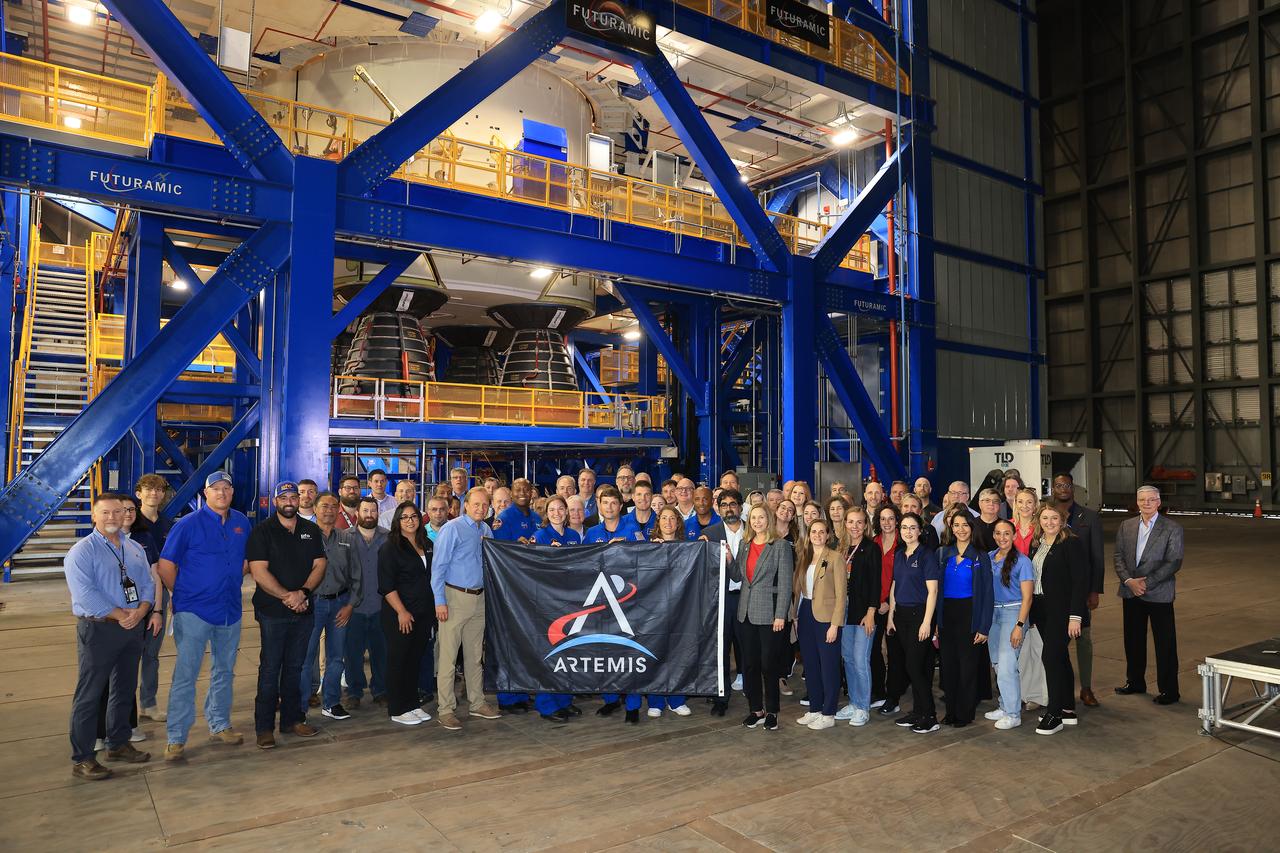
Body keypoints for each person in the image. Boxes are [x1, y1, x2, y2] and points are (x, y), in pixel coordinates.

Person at [158, 472, 250, 760]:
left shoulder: (241, 522)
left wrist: (232, 578)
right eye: (215, 488)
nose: (221, 493)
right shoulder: (187, 525)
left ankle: (220, 723)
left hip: (230, 610)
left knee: (224, 670)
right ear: (205, 493)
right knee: (186, 674)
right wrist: (181, 595)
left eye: (226, 488)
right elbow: (166, 565)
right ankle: (176, 737)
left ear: (232, 492)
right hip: (194, 611)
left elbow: (247, 560)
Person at [64, 493, 156, 780]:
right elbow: (85, 594)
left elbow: (147, 583)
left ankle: (117, 743)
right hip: (100, 629)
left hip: (132, 627)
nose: (112, 517)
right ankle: (83, 758)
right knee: (90, 694)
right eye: (105, 512)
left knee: (124, 689)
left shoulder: (134, 548)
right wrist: (121, 615)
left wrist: (141, 611)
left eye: (118, 512)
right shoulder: (82, 551)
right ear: (94, 516)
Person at [246, 482, 326, 749]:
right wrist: (287, 597)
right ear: (275, 501)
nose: (290, 501)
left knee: (296, 667)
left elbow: (320, 564)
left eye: (294, 496)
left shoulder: (310, 530)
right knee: (271, 669)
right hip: (272, 612)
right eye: (284, 497)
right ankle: (264, 728)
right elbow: (259, 571)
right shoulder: (262, 531)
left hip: (304, 610)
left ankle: (293, 720)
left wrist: (302, 593)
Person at [431, 487, 503, 731]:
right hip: (454, 598)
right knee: (448, 657)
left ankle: (477, 702)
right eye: (476, 504)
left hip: (479, 598)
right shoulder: (452, 529)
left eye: (485, 505)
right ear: (466, 505)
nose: (481, 508)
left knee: (475, 656)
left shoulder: (486, 530)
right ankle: (445, 709)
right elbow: (438, 567)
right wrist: (439, 601)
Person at [1114, 486, 1184, 705]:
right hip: (1131, 591)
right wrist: (1129, 581)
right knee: (1133, 640)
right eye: (1142, 499)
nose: (1146, 503)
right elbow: (1118, 556)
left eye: (1151, 500)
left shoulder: (1172, 528)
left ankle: (1169, 691)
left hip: (1159, 592)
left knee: (1165, 643)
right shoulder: (1126, 526)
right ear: (1137, 502)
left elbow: (1174, 561)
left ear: (1159, 502)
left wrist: (1146, 583)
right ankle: (1135, 682)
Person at [729, 505, 793, 731]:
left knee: (768, 664)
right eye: (753, 518)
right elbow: (737, 575)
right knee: (750, 664)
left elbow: (785, 584)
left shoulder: (780, 546)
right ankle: (756, 710)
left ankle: (772, 711)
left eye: (761, 517)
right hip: (745, 612)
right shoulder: (744, 545)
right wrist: (729, 558)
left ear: (769, 519)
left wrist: (780, 615)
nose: (757, 521)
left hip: (769, 614)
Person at [303, 493, 366, 723]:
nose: (328, 510)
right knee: (306, 657)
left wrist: (350, 605)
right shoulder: (304, 536)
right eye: (324, 506)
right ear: (315, 509)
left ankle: (331, 702)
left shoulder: (347, 538)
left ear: (338, 509)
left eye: (332, 506)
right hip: (312, 605)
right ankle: (300, 707)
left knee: (336, 657)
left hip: (340, 604)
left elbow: (357, 575)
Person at [1029, 502, 1088, 735]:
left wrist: (1075, 616)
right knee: (1060, 657)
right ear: (1039, 520)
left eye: (1054, 518)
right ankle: (1067, 708)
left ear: (1062, 520)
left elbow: (1080, 582)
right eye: (1045, 518)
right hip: (1042, 609)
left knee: (1050, 658)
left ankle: (1054, 714)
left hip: (1062, 612)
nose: (1049, 522)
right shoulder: (1037, 544)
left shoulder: (1071, 543)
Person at [379, 502, 438, 726]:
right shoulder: (390, 548)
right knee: (399, 660)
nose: (410, 521)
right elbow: (386, 585)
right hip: (400, 614)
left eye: (414, 516)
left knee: (415, 660)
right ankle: (397, 708)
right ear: (397, 521)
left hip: (423, 612)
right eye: (405, 517)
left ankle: (412, 704)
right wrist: (402, 611)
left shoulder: (427, 543)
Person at [1051, 472, 1105, 708]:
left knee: (1083, 639)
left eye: (1067, 485)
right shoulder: (1046, 515)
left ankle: (1086, 688)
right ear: (1053, 489)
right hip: (1054, 591)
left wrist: (1094, 590)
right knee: (1055, 643)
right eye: (1058, 485)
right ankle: (1057, 689)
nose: (1063, 488)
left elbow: (1097, 557)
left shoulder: (1089, 517)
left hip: (1081, 590)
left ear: (1073, 488)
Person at [935, 512, 993, 728]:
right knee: (949, 666)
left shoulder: (980, 556)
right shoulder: (943, 553)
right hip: (947, 615)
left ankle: (964, 713)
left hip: (970, 614)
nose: (960, 529)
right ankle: (950, 711)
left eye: (965, 525)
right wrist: (936, 622)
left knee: (967, 667)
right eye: (956, 525)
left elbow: (988, 594)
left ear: (972, 528)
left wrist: (984, 627)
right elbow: (936, 591)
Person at [887, 511, 941, 734]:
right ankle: (918, 711)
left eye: (912, 527)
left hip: (920, 615)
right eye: (904, 528)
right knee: (911, 666)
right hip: (901, 615)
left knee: (914, 666)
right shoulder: (900, 554)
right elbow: (894, 586)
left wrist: (927, 622)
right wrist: (891, 616)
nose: (908, 532)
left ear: (920, 531)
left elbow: (933, 591)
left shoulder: (927, 555)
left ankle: (930, 716)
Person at [793, 518, 845, 731]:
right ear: (809, 535)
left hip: (826, 618)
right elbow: (798, 589)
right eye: (813, 532)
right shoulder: (804, 557)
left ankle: (829, 712)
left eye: (821, 532)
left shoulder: (835, 558)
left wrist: (835, 624)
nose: (817, 535)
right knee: (811, 665)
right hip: (805, 614)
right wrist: (795, 617)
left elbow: (841, 595)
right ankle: (815, 708)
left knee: (829, 666)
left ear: (828, 535)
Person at [700, 489, 746, 714]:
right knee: (721, 650)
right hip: (721, 600)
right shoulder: (709, 534)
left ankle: (754, 696)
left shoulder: (755, 531)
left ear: (741, 507)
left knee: (748, 649)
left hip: (747, 598)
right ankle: (721, 697)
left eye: (733, 504)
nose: (729, 509)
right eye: (724, 505)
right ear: (718, 509)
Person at [985, 519, 1034, 730]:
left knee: (1007, 666)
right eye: (998, 533)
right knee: (997, 664)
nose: (1002, 537)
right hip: (992, 614)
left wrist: (1019, 625)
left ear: (1014, 536)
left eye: (1007, 533)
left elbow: (1028, 598)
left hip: (1013, 613)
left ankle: (1013, 714)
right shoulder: (989, 557)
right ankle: (1005, 705)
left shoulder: (1022, 561)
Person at [642, 514, 692, 720]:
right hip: (654, 610)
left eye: (672, 518)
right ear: (658, 522)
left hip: (680, 609)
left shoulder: (688, 548)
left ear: (678, 523)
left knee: (678, 655)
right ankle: (656, 701)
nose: (668, 522)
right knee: (655, 653)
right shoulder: (649, 547)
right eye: (664, 518)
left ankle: (676, 700)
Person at [834, 508, 880, 728]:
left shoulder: (871, 548)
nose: (855, 526)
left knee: (861, 660)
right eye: (851, 522)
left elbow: (876, 583)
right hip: (843, 611)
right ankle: (853, 702)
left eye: (859, 522)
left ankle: (863, 707)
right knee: (848, 658)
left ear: (865, 525)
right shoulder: (840, 548)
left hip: (863, 612)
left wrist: (871, 612)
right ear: (845, 523)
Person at [343, 494, 388, 709]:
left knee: (381, 652)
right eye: (365, 511)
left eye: (373, 511)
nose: (369, 515)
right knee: (353, 654)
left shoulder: (388, 537)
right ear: (357, 513)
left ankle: (381, 690)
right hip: (354, 607)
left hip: (381, 606)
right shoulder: (345, 537)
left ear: (378, 513)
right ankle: (354, 692)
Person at [871, 505, 906, 715]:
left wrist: (887, 602)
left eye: (891, 518)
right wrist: (876, 603)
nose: (887, 523)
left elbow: (902, 579)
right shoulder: (873, 543)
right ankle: (878, 692)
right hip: (874, 606)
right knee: (873, 650)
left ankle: (893, 697)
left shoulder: (903, 544)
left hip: (896, 606)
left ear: (897, 520)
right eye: (883, 519)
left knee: (895, 653)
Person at [494, 478, 541, 544]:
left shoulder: (537, 517)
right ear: (511, 494)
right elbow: (498, 547)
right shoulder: (503, 519)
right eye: (518, 490)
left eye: (526, 490)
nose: (522, 493)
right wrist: (516, 545)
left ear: (531, 493)